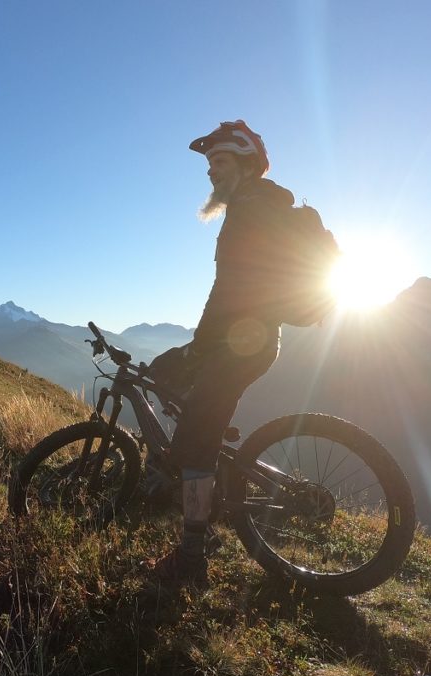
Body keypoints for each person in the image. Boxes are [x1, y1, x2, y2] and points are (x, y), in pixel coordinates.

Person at [151, 120, 296, 583]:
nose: (212, 171)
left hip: (241, 343)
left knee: (197, 437)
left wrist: (197, 348)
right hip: (243, 339)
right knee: (169, 380)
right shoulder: (256, 206)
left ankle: (193, 554)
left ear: (246, 163)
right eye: (210, 164)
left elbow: (229, 290)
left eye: (221, 161)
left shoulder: (250, 209)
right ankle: (202, 469)